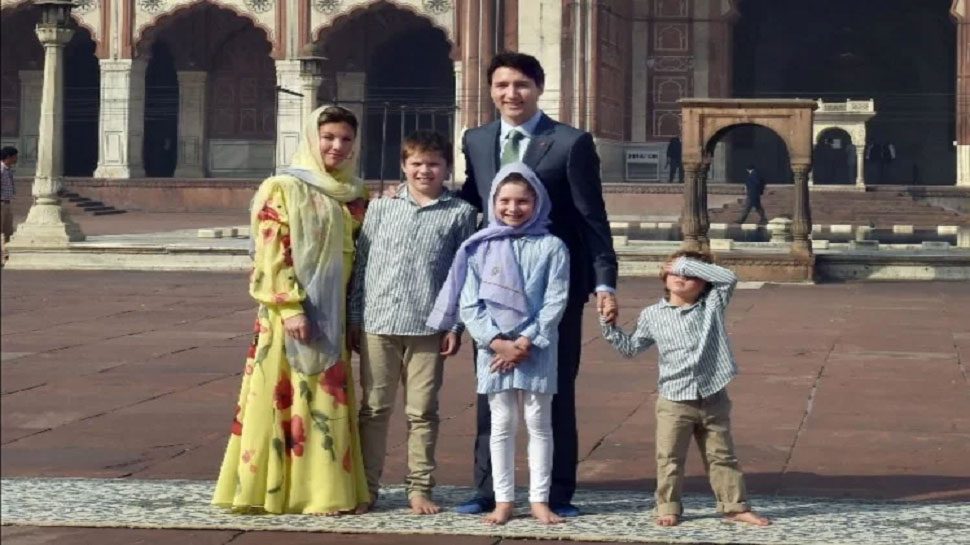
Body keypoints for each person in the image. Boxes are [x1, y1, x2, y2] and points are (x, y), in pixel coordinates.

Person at [456, 51, 618, 518]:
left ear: (539, 88)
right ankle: (488, 490)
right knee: (492, 391)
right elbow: (473, 200)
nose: (511, 94)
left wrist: (605, 281)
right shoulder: (478, 139)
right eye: (502, 85)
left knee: (556, 390)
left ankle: (557, 492)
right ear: (490, 90)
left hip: (553, 286)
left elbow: (592, 217)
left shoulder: (568, 143)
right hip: (493, 286)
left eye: (521, 85)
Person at [212, 105, 371, 515]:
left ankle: (323, 492)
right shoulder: (283, 187)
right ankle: (277, 491)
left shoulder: (354, 193)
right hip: (291, 313)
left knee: (325, 398)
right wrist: (290, 307)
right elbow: (271, 252)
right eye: (329, 137)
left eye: (346, 139)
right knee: (288, 395)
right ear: (311, 139)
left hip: (334, 311)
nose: (337, 146)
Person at [428, 163, 570, 525]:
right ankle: (504, 500)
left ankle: (539, 499)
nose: (512, 208)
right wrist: (496, 342)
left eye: (522, 201)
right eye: (504, 200)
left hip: (536, 348)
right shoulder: (479, 247)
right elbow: (469, 302)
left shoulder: (552, 246)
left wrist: (524, 342)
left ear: (536, 202)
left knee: (539, 422)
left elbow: (555, 300)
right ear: (493, 202)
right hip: (494, 350)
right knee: (502, 423)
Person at [348, 130, 478, 515]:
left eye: (434, 163)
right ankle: (367, 485)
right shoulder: (380, 209)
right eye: (416, 163)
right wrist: (355, 316)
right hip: (378, 321)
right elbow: (363, 265)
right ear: (403, 166)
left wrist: (455, 327)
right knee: (374, 409)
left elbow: (462, 275)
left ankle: (419, 488)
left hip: (428, 327)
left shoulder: (461, 214)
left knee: (422, 412)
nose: (425, 170)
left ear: (446, 168)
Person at [599, 250, 771, 528]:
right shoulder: (652, 315)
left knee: (722, 456)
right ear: (663, 277)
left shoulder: (712, 305)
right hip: (674, 400)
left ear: (704, 283)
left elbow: (729, 278)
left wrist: (684, 262)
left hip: (713, 395)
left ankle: (734, 506)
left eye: (692, 275)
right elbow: (630, 348)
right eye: (675, 272)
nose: (682, 277)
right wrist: (609, 326)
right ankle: (668, 506)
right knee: (669, 457)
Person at [1, 146, 18, 243]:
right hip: (1, 203)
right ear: (8, 157)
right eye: (15, 156)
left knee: (8, 231)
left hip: (6, 203)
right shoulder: (1, 169)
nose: (16, 159)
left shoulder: (8, 170)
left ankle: (6, 253)